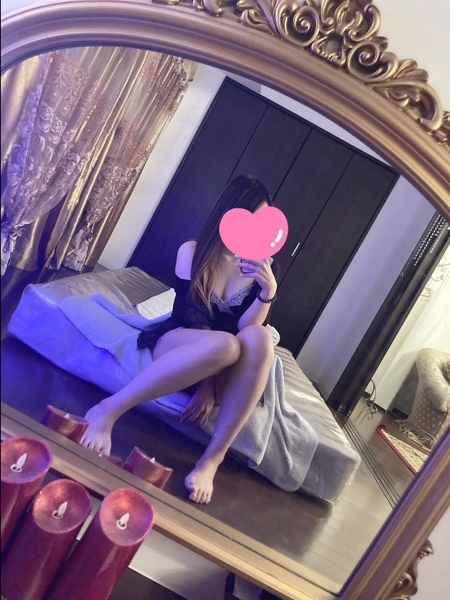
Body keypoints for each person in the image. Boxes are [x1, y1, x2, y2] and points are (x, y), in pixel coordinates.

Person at [80, 175, 279, 504]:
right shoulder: (193, 251)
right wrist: (206, 385)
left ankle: (211, 460)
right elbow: (195, 318)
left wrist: (267, 292)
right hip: (182, 342)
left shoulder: (262, 266)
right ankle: (108, 410)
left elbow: (247, 330)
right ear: (232, 213)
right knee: (225, 345)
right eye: (251, 218)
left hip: (227, 365)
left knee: (260, 337)